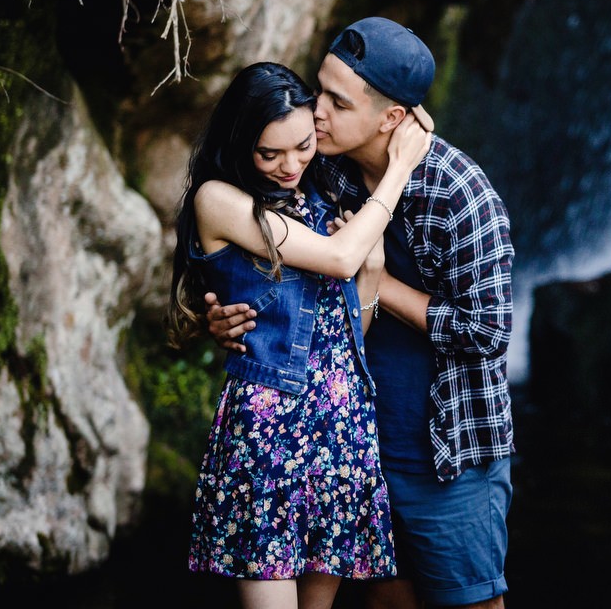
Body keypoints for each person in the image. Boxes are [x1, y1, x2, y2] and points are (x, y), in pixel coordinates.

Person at [206, 18, 515, 609]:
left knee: (471, 601)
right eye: (319, 88)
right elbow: (260, 271)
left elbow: (488, 331)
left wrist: (378, 280)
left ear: (391, 118)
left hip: (444, 450)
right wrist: (215, 317)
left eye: (337, 102)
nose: (315, 112)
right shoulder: (320, 172)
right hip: (349, 442)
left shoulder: (460, 193)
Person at [169, 61, 432, 609]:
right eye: (271, 154)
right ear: (242, 144)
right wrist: (400, 169)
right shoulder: (218, 199)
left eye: (303, 146)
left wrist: (375, 270)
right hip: (269, 430)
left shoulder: (318, 195)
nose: (291, 165)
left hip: (342, 426)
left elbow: (346, 335)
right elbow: (337, 258)